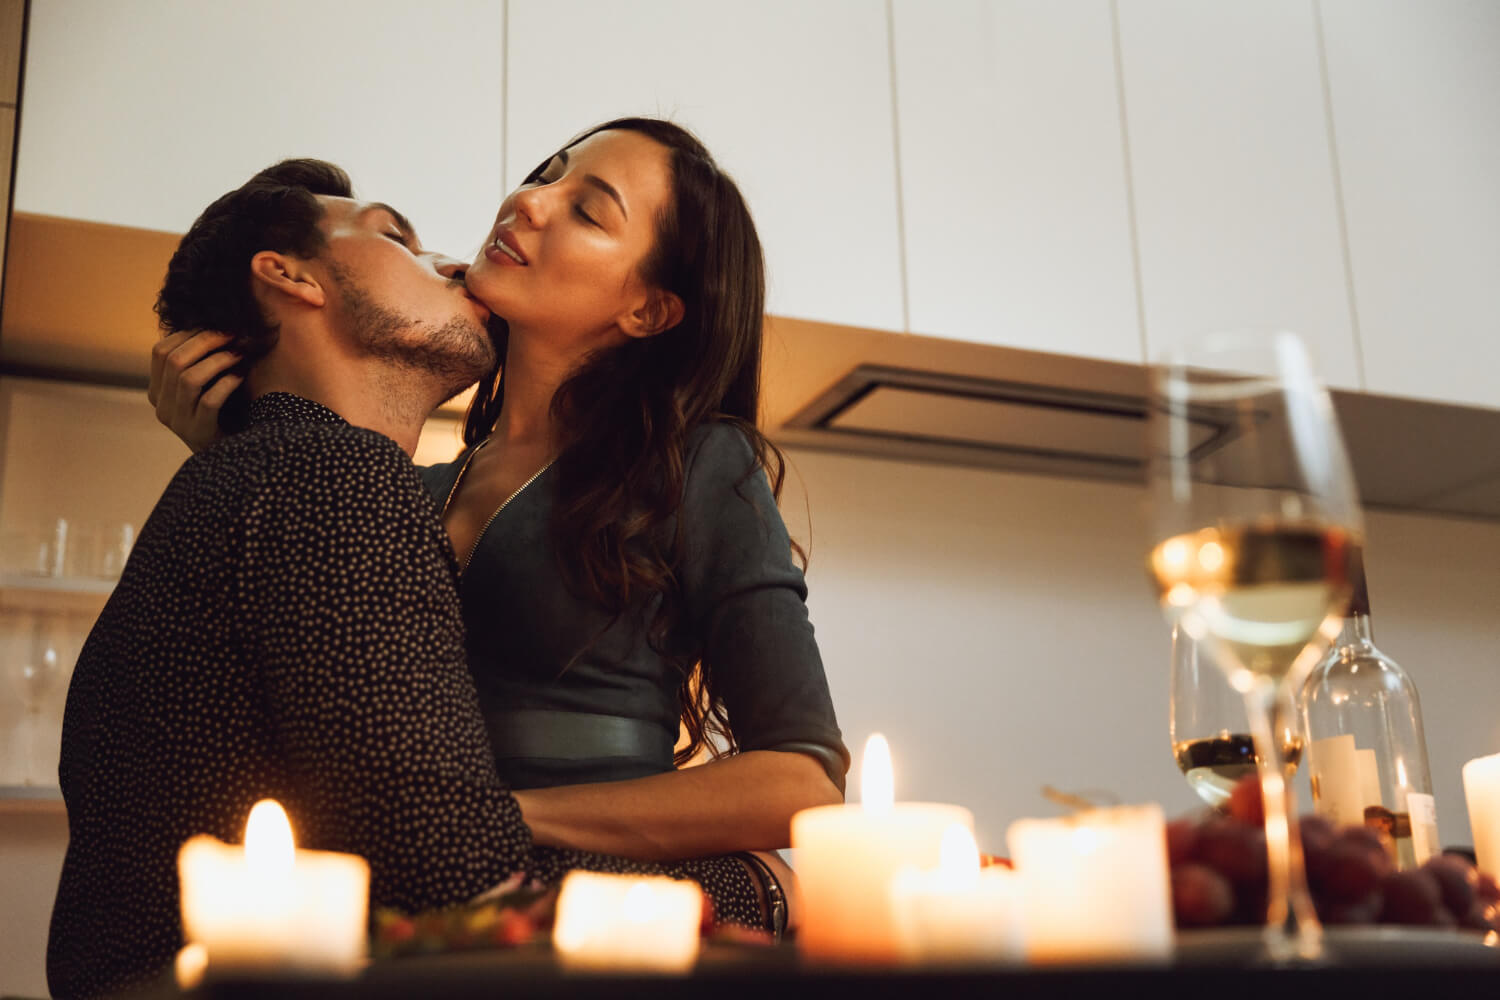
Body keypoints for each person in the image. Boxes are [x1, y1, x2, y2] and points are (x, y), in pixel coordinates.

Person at [49, 160, 771, 1000]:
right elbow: (452, 869)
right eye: (398, 236)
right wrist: (752, 890)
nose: (459, 266)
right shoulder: (334, 476)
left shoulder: (261, 479)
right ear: (288, 277)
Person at [152, 119, 849, 864]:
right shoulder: (396, 487)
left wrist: (486, 820)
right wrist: (240, 451)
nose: (530, 201)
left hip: (603, 918)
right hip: (419, 914)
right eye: (548, 173)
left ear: (646, 309)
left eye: (588, 210)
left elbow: (801, 781)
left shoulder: (699, 466)